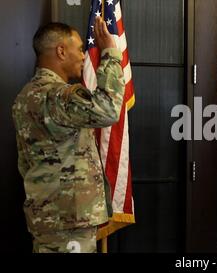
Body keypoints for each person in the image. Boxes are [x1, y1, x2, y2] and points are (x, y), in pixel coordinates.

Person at [11, 17, 125, 253]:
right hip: (69, 220)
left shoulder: (25, 96)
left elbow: (25, 162)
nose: (84, 56)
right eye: (81, 49)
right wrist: (111, 54)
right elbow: (109, 110)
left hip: (49, 216)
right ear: (61, 51)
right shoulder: (58, 96)